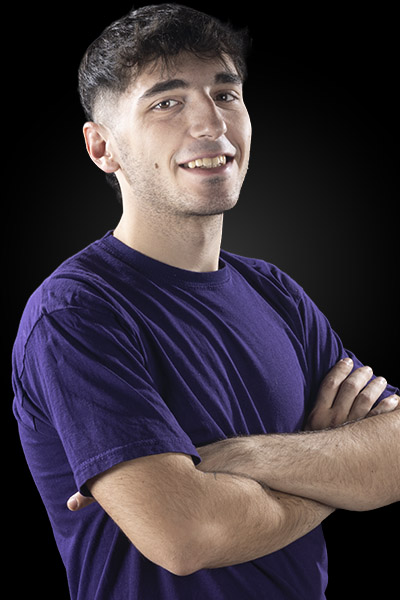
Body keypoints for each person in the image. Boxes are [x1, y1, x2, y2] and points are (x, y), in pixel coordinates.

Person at [12, 4, 399, 599]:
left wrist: (246, 457)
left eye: (225, 94)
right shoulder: (76, 314)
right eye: (167, 102)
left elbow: (394, 455)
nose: (211, 124)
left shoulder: (275, 292)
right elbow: (187, 536)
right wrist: (333, 475)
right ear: (101, 148)